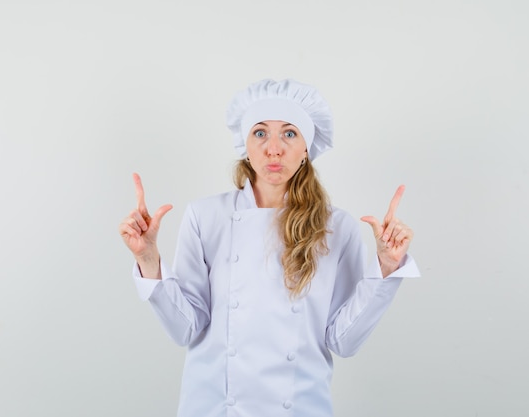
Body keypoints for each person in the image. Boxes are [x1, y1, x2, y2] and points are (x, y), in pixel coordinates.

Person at [119, 79, 420, 417]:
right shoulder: (205, 217)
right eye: (260, 133)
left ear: (307, 147)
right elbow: (184, 328)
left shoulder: (338, 227)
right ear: (245, 145)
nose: (273, 149)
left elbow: (343, 341)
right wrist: (147, 258)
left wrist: (386, 268)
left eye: (289, 133)